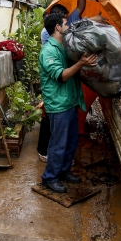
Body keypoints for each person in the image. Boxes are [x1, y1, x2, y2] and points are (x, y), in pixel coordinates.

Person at [38, 14, 97, 193]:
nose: (68, 26)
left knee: (71, 141)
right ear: (57, 27)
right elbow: (62, 76)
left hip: (70, 101)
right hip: (58, 104)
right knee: (58, 143)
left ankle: (64, 171)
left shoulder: (64, 47)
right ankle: (50, 177)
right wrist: (80, 63)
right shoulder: (48, 51)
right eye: (65, 23)